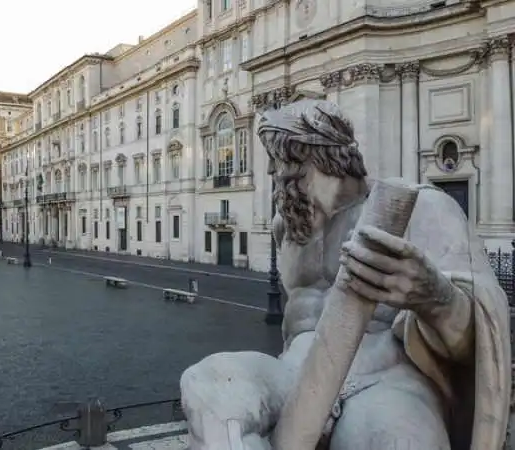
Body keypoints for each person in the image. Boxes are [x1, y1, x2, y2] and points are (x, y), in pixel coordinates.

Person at [180, 99, 511, 450]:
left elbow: (482, 334)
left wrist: (434, 296)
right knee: (206, 385)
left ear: (323, 158)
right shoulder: (289, 227)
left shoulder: (421, 209)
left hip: (386, 383)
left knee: (402, 442)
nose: (274, 176)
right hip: (296, 374)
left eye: (284, 162)